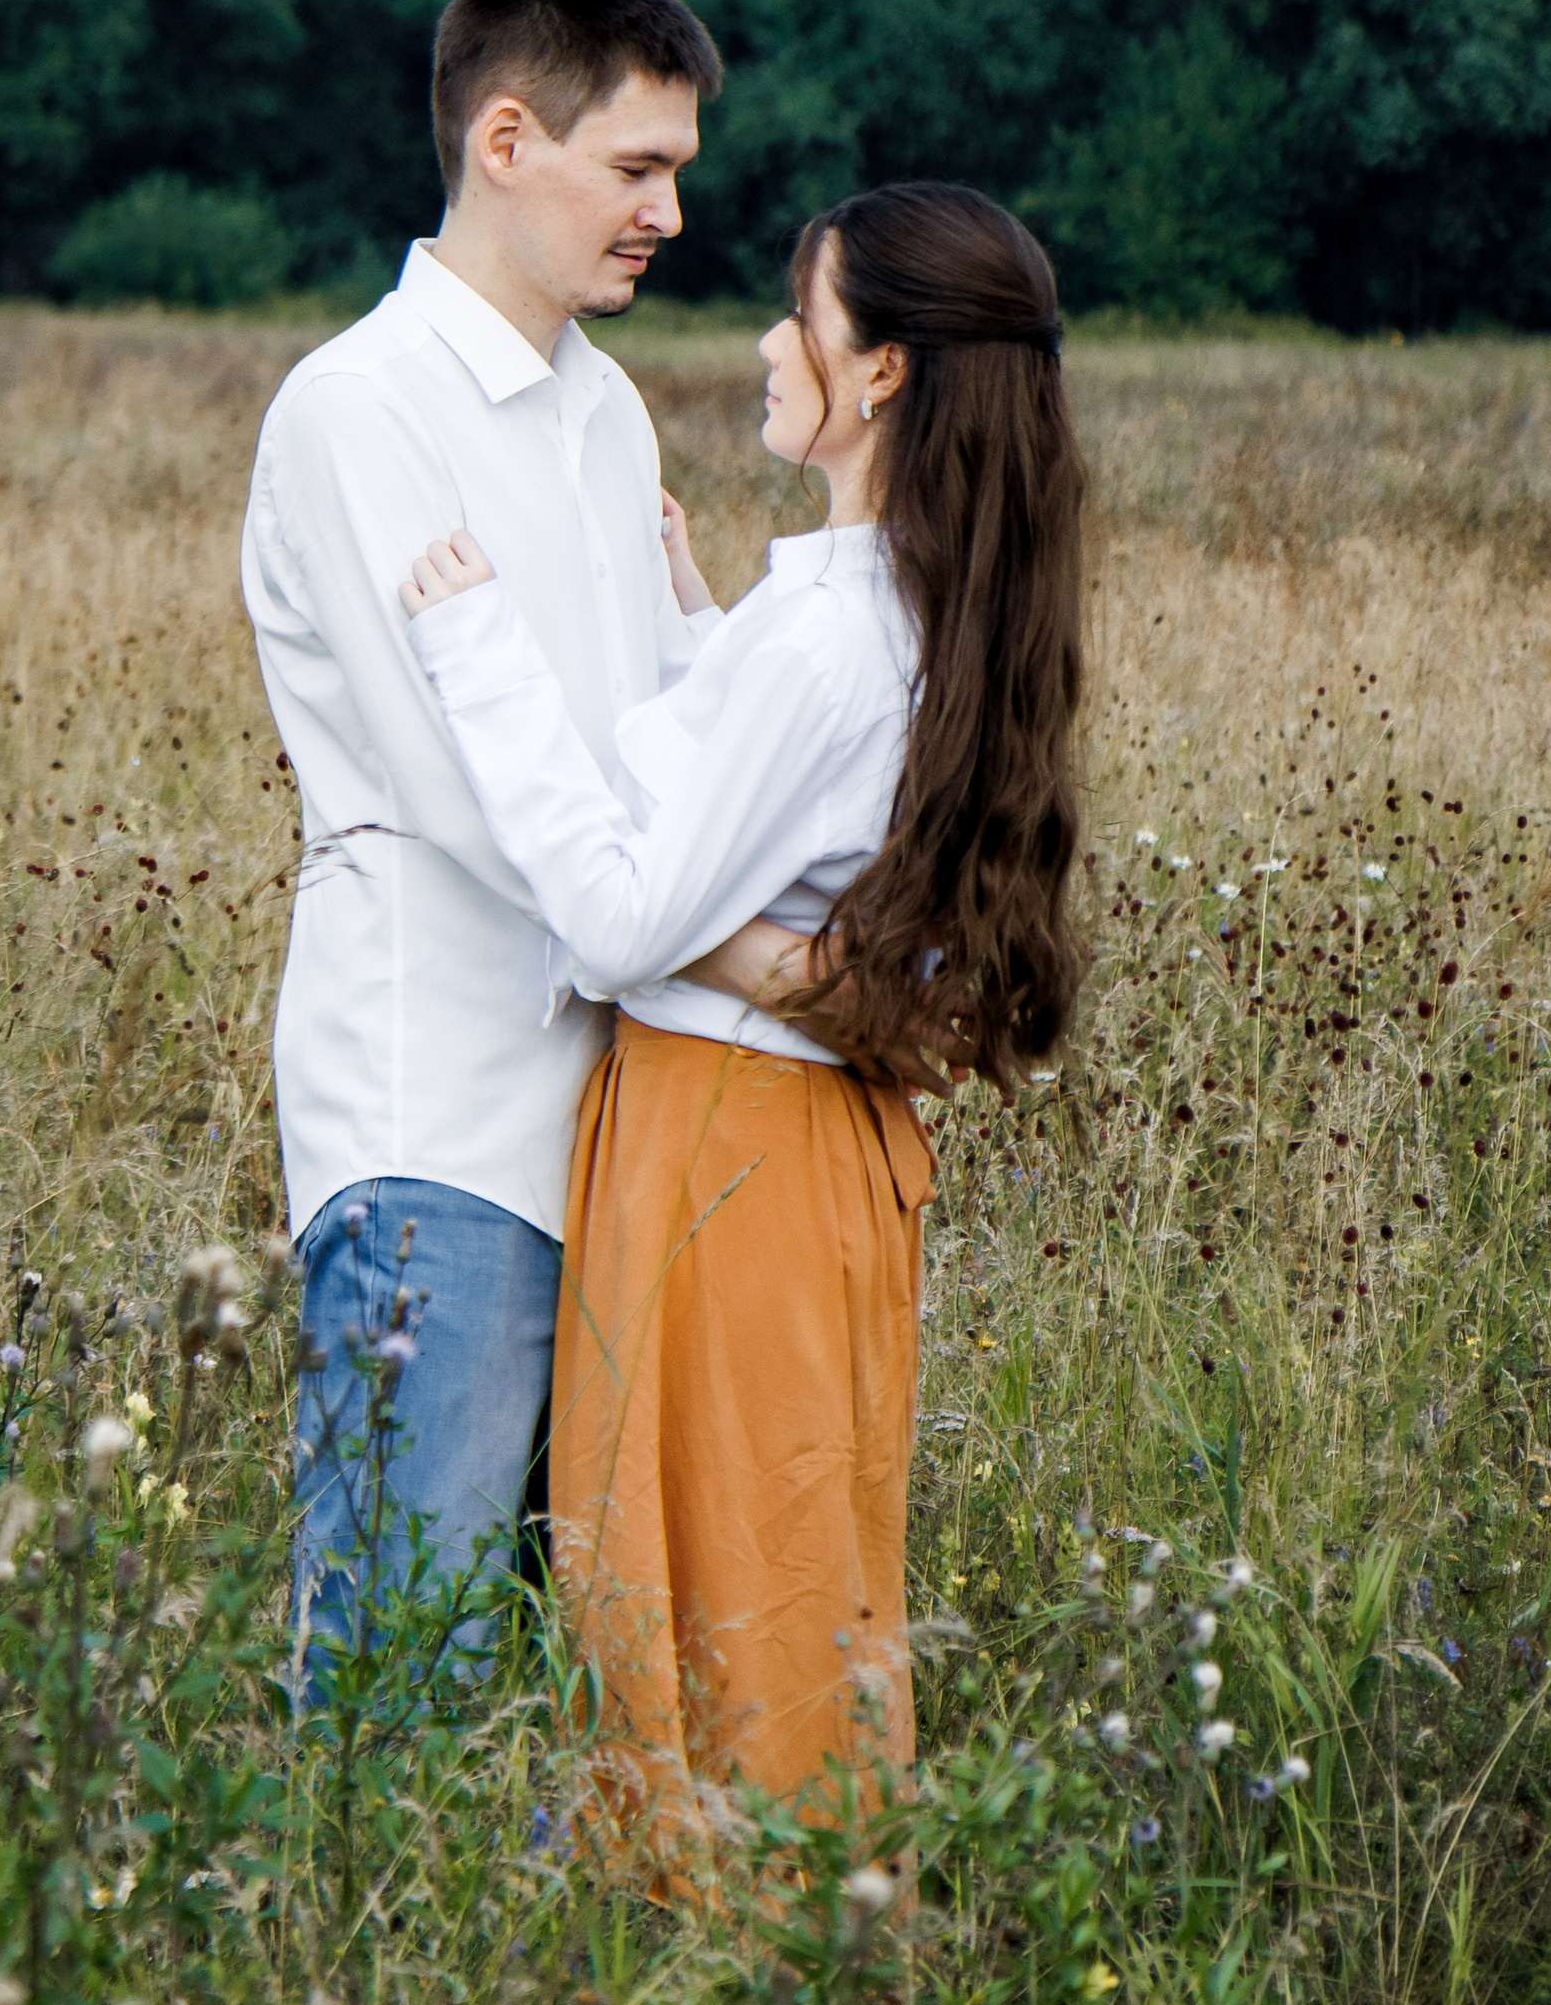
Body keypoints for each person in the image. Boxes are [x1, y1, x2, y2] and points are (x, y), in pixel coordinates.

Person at [400, 183, 1084, 1869]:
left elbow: (617, 916)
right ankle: (800, 1989)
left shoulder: (831, 637)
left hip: (729, 1159)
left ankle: (760, 1995)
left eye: (805, 311)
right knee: (797, 1598)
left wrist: (477, 651)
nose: (775, 340)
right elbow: (797, 809)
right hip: (812, 1155)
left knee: (716, 1627)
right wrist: (699, 633)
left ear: (884, 372)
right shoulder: (908, 606)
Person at [241, 0, 725, 1685]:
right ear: (506, 138)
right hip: (433, 1134)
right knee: (401, 1688)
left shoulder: (606, 411)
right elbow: (463, 790)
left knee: (560, 1698)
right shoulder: (360, 408)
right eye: (638, 167)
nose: (669, 213)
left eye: (677, 171)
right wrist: (707, 914)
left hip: (610, 1134)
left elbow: (667, 748)